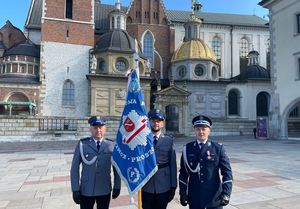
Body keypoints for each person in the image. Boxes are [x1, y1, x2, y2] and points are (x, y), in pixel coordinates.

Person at [179, 115, 233, 209]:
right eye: (198, 129)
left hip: (214, 198)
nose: (201, 132)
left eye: (204, 129)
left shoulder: (218, 148)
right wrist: (183, 193)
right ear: (194, 130)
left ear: (209, 130)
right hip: (195, 197)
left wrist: (226, 193)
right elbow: (183, 174)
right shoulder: (187, 148)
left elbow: (227, 172)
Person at [70, 116, 121, 209]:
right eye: (95, 127)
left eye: (101, 127)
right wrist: (75, 189)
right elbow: (74, 169)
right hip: (86, 190)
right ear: (91, 129)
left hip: (104, 189)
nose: (98, 130)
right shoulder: (83, 144)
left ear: (105, 128)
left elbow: (117, 168)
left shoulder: (111, 145)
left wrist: (117, 185)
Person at [142, 109, 177, 209]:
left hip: (164, 184)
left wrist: (173, 185)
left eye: (159, 121)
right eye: (153, 120)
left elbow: (173, 165)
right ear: (148, 122)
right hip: (146, 184)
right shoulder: (142, 140)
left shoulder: (169, 140)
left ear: (163, 123)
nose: (156, 123)